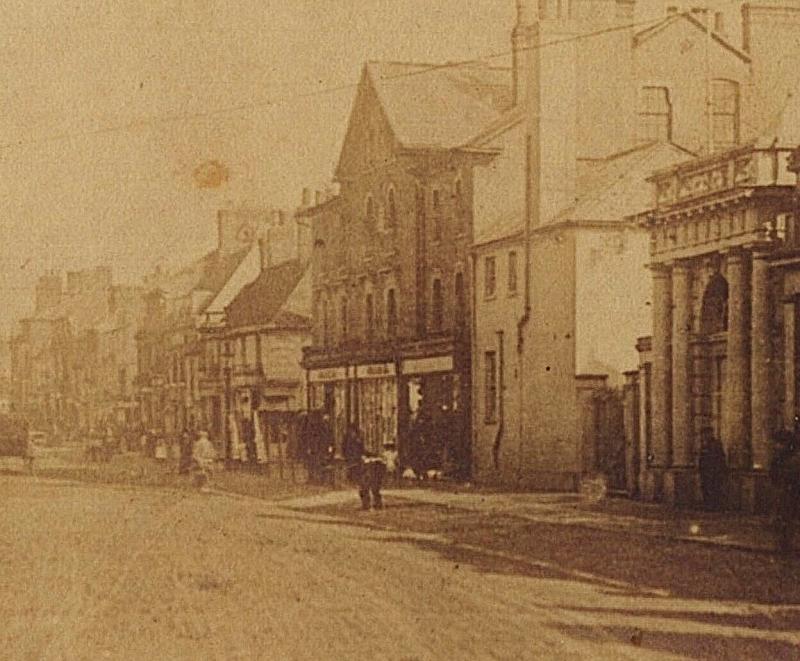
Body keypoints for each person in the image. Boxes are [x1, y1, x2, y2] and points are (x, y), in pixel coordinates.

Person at [770, 424, 800, 554]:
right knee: (783, 519)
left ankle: (786, 543)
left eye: (779, 443)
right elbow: (773, 474)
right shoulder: (779, 458)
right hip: (783, 491)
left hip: (791, 492)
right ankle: (784, 543)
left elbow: (792, 476)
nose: (776, 446)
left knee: (787, 519)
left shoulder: (793, 459)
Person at [698, 427, 726, 512]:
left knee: (714, 488)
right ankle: (708, 505)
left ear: (710, 434)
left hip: (714, 472)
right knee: (706, 488)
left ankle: (714, 506)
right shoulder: (704, 445)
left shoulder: (715, 444)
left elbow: (720, 458)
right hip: (706, 472)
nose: (704, 436)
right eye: (703, 434)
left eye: (706, 434)